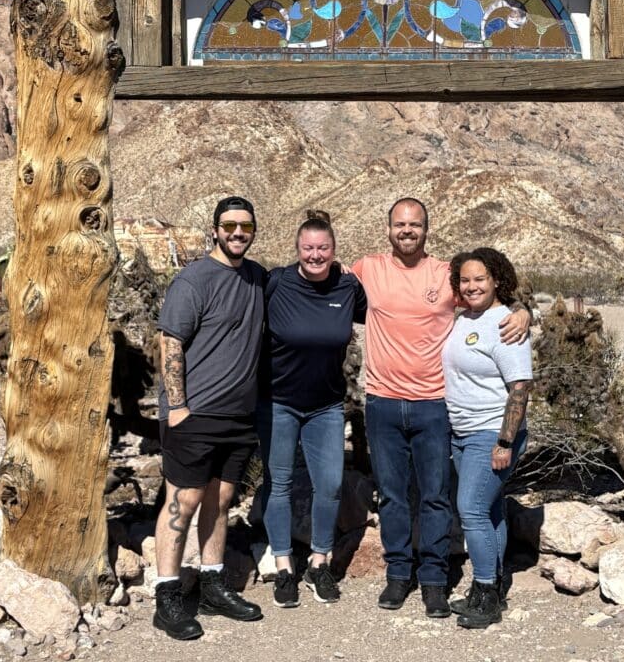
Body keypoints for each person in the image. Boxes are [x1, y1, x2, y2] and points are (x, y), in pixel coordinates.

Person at [351, 198, 529, 618]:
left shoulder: (447, 275)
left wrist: (523, 311)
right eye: (399, 224)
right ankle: (398, 575)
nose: (406, 230)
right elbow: (317, 278)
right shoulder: (367, 269)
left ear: (427, 230)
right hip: (382, 400)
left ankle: (433, 580)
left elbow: (491, 299)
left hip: (434, 405)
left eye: (414, 224)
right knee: (393, 495)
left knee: (435, 496)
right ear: (388, 228)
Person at [152, 196, 266, 641]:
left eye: (245, 226)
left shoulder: (257, 277)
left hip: (238, 417)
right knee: (182, 502)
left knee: (220, 501)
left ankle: (214, 584)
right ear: (215, 229)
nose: (238, 233)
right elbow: (170, 342)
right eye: (229, 226)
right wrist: (178, 407)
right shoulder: (194, 280)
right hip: (194, 413)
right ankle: (167, 595)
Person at [258, 211, 367, 608]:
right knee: (279, 483)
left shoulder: (348, 287)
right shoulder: (276, 283)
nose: (315, 255)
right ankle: (285, 566)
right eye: (308, 248)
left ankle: (319, 562)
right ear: (298, 250)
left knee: (331, 484)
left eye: (323, 248)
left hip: (325, 405)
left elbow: (393, 316)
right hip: (278, 403)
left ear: (334, 251)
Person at [442, 247, 533, 629]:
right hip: (462, 433)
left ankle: (486, 595)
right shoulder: (464, 318)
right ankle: (490, 585)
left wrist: (505, 442)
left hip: (491, 433)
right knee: (490, 510)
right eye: (465, 280)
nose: (472, 285)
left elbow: (520, 387)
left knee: (472, 511)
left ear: (497, 279)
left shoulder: (507, 324)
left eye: (480, 278)